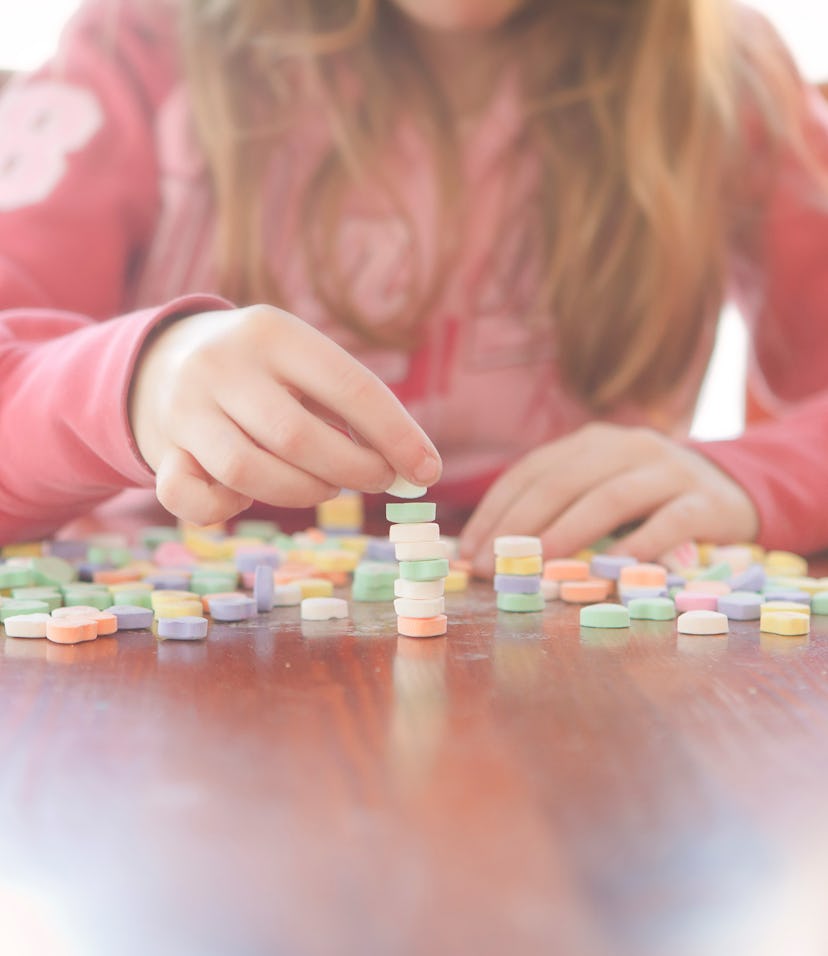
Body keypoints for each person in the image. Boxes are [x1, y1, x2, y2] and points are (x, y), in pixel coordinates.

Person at [0, 0, 825, 577]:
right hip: (161, 646)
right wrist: (138, 379)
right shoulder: (137, 43)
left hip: (567, 668)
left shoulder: (730, 77)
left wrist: (758, 477)